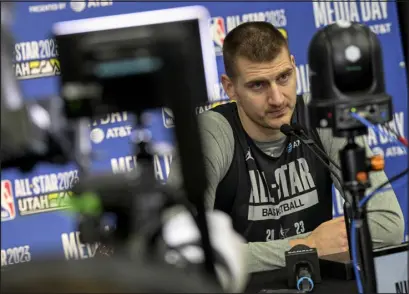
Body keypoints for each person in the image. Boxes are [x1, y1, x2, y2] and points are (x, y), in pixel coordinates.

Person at [166, 22, 404, 273]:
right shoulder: (211, 133)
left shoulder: (321, 116)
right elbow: (182, 250)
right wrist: (306, 246)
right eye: (258, 85)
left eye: (283, 77)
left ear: (293, 66)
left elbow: (388, 226)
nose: (277, 99)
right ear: (230, 87)